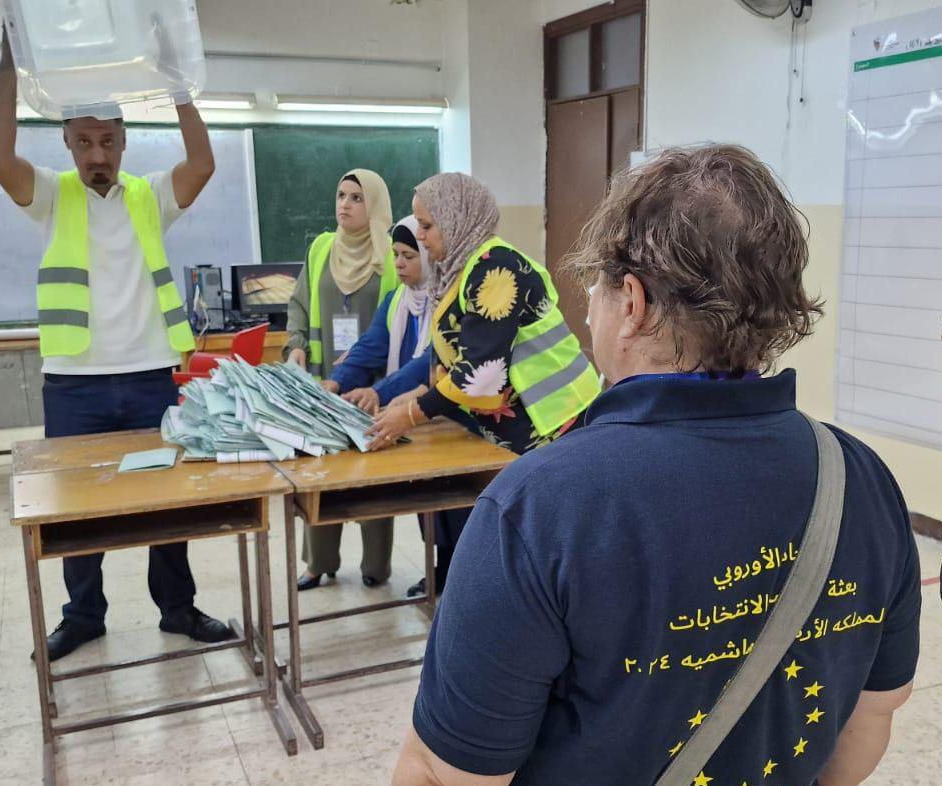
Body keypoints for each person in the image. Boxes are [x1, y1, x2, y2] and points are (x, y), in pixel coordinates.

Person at [392, 145, 921, 786]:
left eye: (596, 288)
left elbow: (443, 773)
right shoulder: (860, 477)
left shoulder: (537, 507)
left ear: (633, 303)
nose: (588, 308)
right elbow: (873, 718)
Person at [0, 27, 234, 661]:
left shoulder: (149, 196)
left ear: (124, 142)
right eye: (85, 142)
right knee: (76, 508)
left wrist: (178, 86)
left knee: (166, 501)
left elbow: (202, 164)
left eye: (108, 141)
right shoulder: (50, 195)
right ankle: (84, 615)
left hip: (150, 375)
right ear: (67, 143)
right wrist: (12, 57)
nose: (98, 154)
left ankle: (176, 608)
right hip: (74, 381)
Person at [367, 173, 603, 597]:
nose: (420, 236)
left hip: (555, 419)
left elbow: (483, 372)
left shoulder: (497, 269)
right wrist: (418, 393)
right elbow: (456, 354)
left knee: (548, 536)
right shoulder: (460, 269)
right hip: (519, 424)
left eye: (427, 226)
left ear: (457, 220)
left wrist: (414, 412)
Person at [284, 169, 400, 591]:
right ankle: (319, 562)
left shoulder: (391, 254)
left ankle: (375, 565)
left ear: (375, 206)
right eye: (340, 195)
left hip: (374, 386)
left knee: (373, 473)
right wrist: (296, 344)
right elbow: (298, 303)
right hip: (322, 381)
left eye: (356, 197)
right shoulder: (320, 249)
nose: (345, 204)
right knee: (319, 471)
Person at [321, 215, 434, 414]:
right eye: (395, 254)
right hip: (398, 412)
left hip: (443, 416)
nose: (398, 263)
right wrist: (336, 381)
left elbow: (428, 363)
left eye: (408, 256)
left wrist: (378, 392)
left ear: (428, 257)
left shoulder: (447, 302)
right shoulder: (395, 301)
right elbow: (368, 349)